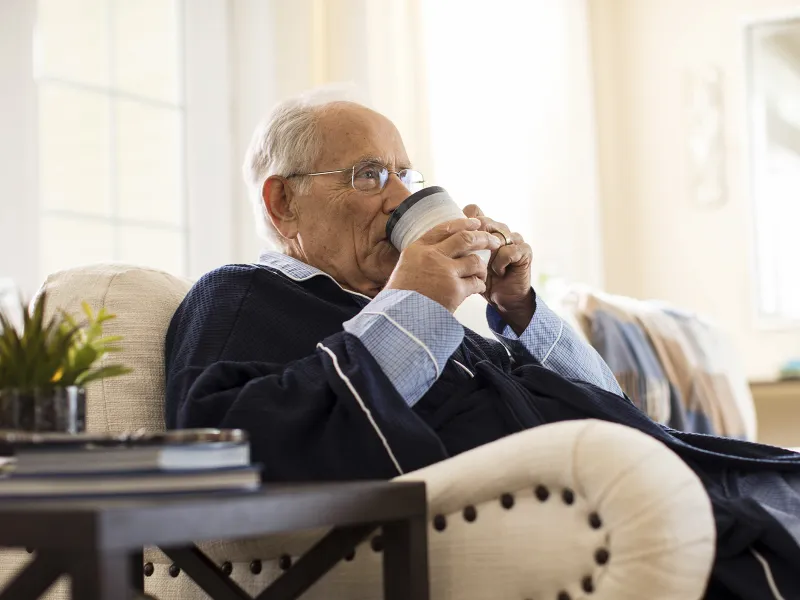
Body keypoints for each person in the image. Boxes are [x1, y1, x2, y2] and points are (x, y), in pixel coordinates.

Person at [166, 92, 800, 598]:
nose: (401, 198)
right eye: (369, 175)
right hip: (554, 515)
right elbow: (225, 448)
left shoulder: (408, 314)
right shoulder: (243, 293)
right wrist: (416, 302)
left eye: (406, 174)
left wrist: (517, 308)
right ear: (283, 202)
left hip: (654, 480)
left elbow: (612, 409)